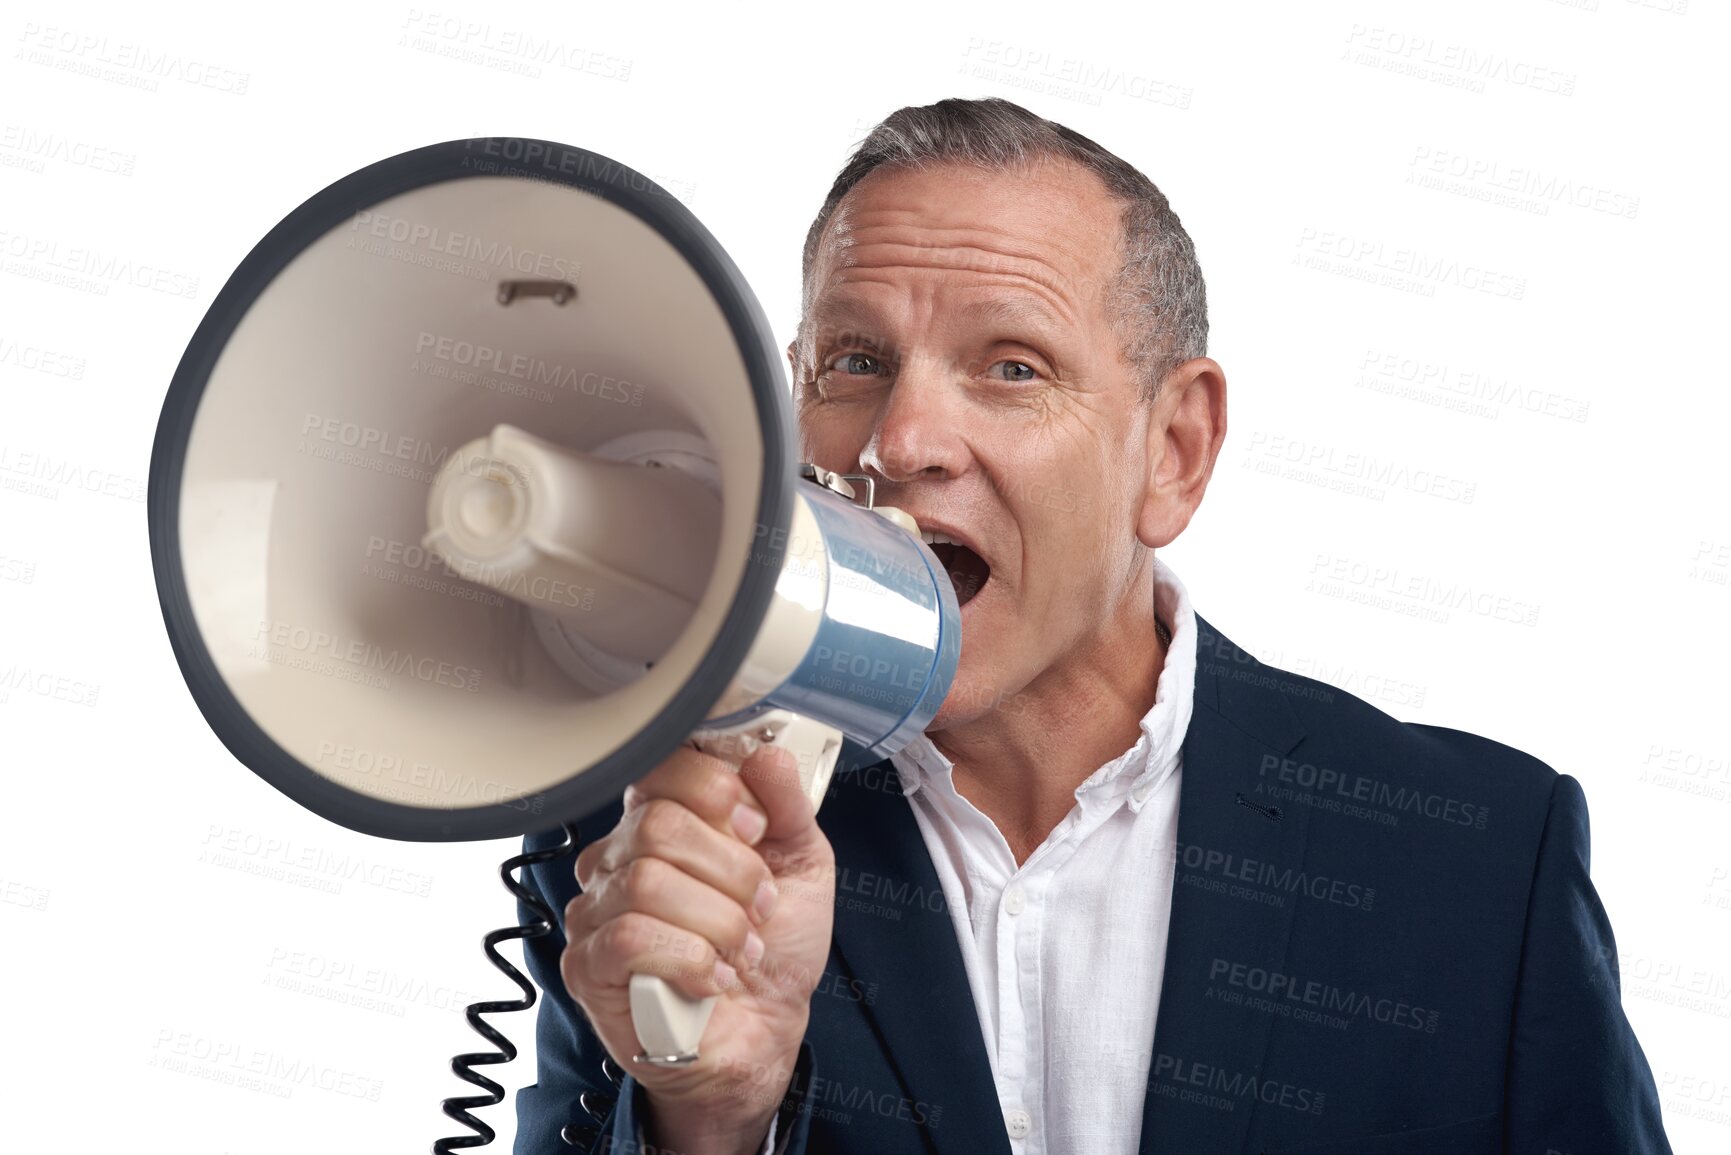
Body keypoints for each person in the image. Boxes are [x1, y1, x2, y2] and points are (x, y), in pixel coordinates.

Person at [513, 97, 1671, 1155]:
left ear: (1173, 452)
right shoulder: (652, 845)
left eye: (1012, 368)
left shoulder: (1473, 860)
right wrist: (703, 1120)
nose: (896, 441)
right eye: (854, 362)